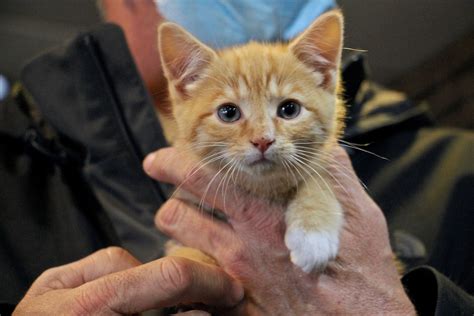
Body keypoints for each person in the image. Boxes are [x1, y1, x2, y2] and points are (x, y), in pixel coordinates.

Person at [1, 0, 473, 314]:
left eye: (287, 109)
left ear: (326, 80)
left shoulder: (459, 171)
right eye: (230, 112)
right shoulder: (11, 180)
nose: (263, 136)